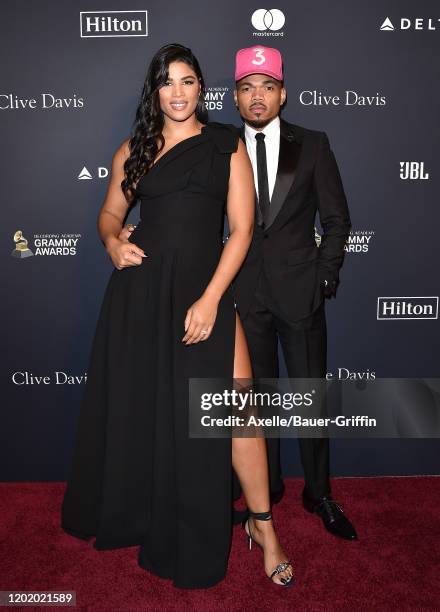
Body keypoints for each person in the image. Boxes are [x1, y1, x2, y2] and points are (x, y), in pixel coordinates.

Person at [61, 43, 294, 589]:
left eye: (188, 81)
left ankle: (265, 528)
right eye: (167, 82)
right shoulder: (133, 149)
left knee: (239, 411)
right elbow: (111, 212)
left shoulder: (224, 146)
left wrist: (212, 299)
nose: (179, 92)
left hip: (203, 291)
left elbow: (240, 231)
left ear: (202, 88)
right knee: (149, 409)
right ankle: (149, 512)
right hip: (141, 295)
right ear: (155, 92)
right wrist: (112, 243)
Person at [230, 45, 357, 540]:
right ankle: (270, 488)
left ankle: (319, 492)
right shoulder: (223, 147)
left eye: (266, 87)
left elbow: (337, 217)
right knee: (257, 402)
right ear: (236, 98)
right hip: (246, 296)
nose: (256, 97)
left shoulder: (314, 144)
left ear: (283, 93)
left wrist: (326, 275)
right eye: (246, 88)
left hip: (301, 294)